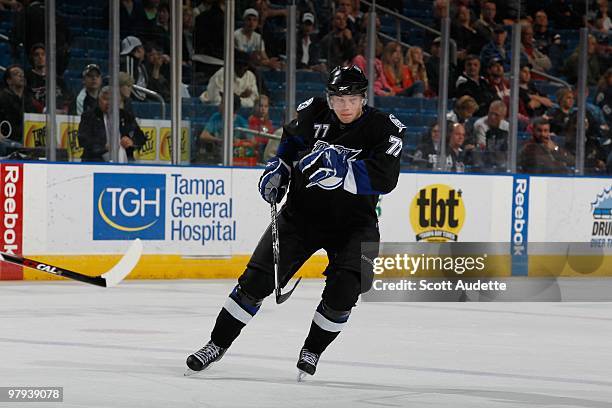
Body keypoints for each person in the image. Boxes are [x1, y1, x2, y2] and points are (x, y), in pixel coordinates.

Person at [185, 65, 404, 379]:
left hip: (355, 224)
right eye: (337, 98)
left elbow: (386, 178)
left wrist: (342, 172)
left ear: (363, 98)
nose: (344, 106)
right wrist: (278, 171)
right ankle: (215, 344)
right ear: (329, 98)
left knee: (346, 290)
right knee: (254, 283)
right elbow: (287, 150)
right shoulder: (313, 114)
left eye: (351, 99)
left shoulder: (384, 128)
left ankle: (312, 349)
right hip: (301, 217)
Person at [78, 86, 147, 163]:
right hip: (95, 159)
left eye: (113, 100)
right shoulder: (89, 116)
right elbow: (83, 139)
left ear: (119, 101)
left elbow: (140, 137)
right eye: (106, 99)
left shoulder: (126, 116)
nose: (109, 103)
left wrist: (131, 141)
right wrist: (103, 147)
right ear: (99, 100)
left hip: (124, 159)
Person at [0, 65, 35, 145]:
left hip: (25, 141)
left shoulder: (29, 99)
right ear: (9, 81)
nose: (21, 76)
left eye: (22, 74)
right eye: (16, 74)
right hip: (7, 141)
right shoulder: (2, 97)